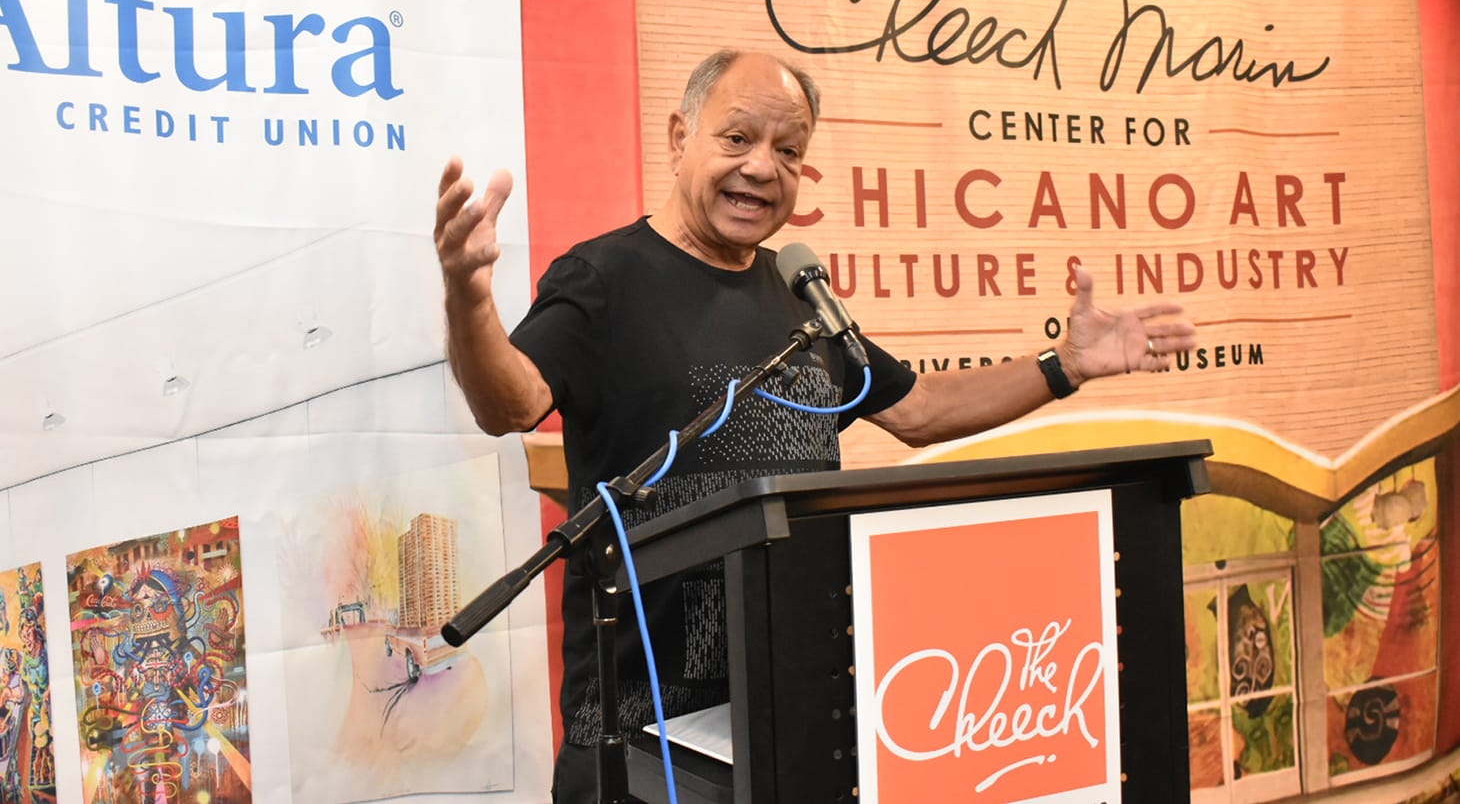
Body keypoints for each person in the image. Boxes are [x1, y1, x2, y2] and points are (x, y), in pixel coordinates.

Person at [434, 49, 1196, 803]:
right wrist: (470, 297)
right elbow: (510, 403)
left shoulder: (803, 301)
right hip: (644, 734)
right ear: (679, 137)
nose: (763, 167)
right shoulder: (605, 278)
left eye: (788, 150)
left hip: (791, 709)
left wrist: (1062, 367)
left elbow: (919, 409)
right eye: (738, 139)